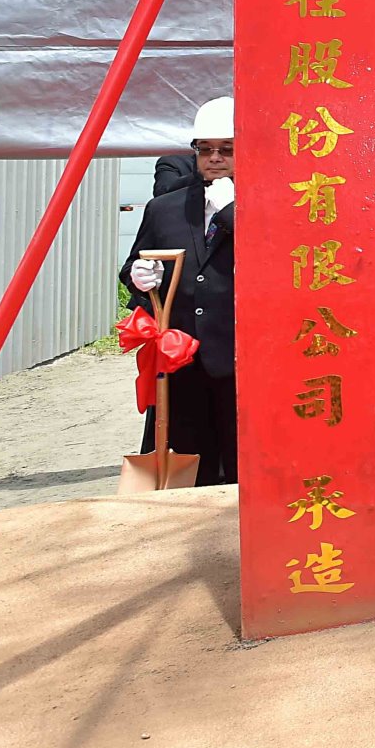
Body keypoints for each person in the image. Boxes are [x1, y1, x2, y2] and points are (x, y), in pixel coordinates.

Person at [120, 96, 239, 486]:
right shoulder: (165, 208)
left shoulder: (266, 202)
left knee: (243, 462)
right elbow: (133, 267)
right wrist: (140, 278)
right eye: (205, 150)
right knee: (192, 462)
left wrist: (230, 212)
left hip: (242, 356)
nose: (215, 159)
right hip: (182, 358)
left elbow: (277, 257)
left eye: (226, 149)